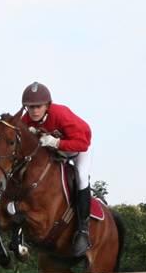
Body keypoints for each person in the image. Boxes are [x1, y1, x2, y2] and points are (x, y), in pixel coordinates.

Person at [20, 81, 92, 257]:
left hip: (76, 149)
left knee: (81, 177)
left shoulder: (61, 114)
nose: (34, 111)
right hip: (51, 153)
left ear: (47, 105)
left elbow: (83, 143)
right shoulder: (25, 120)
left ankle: (83, 230)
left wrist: (57, 142)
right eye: (30, 107)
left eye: (38, 106)